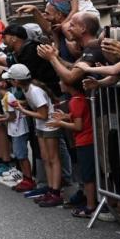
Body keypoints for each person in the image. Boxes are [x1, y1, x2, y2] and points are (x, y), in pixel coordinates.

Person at [3, 64, 63, 208]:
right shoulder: (27, 88)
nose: (10, 82)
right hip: (41, 126)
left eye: (11, 80)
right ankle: (50, 189)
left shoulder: (34, 90)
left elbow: (42, 114)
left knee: (53, 158)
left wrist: (22, 109)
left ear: (17, 81)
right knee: (46, 158)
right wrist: (20, 103)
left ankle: (56, 192)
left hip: (49, 125)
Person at [47, 80, 96, 217]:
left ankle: (90, 206)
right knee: (88, 174)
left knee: (87, 176)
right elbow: (79, 117)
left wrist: (60, 123)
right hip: (86, 140)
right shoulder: (80, 98)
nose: (60, 83)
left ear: (70, 84)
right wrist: (66, 117)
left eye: (62, 80)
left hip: (84, 140)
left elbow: (78, 126)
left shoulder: (75, 101)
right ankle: (90, 202)